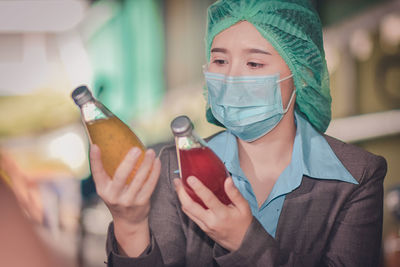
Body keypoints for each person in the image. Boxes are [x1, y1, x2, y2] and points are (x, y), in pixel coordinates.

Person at [89, 0, 387, 266]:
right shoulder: (175, 167)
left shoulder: (358, 177)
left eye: (254, 63)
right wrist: (129, 225)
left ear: (301, 74)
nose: (230, 78)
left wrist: (245, 242)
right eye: (220, 60)